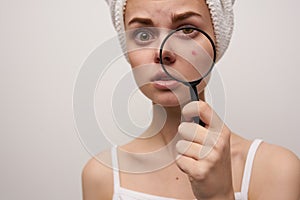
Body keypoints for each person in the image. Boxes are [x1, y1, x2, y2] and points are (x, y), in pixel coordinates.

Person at [82, 0, 300, 199]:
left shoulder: (276, 170)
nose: (163, 52)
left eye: (186, 29)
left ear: (217, 41)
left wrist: (220, 195)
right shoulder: (101, 175)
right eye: (144, 35)